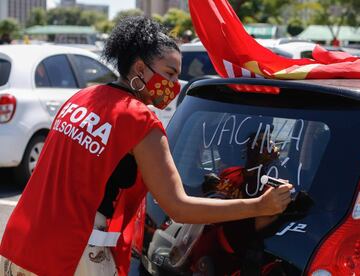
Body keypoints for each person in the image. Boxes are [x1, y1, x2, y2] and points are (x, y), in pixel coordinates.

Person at [0, 16, 293, 276]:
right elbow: (179, 207)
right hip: (72, 257)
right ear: (140, 68)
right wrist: (260, 205)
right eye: (169, 73)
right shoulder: (140, 121)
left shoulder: (82, 98)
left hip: (21, 244)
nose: (175, 85)